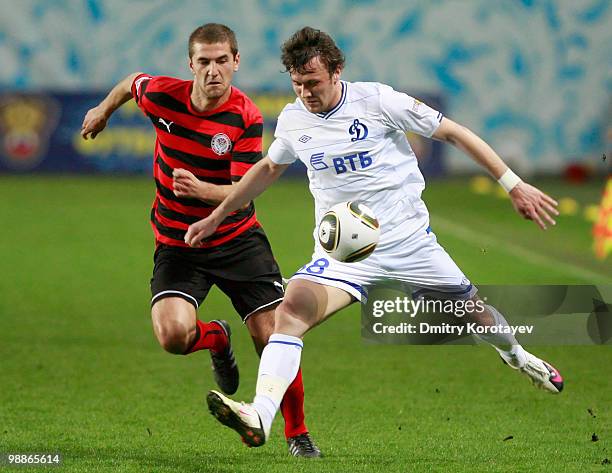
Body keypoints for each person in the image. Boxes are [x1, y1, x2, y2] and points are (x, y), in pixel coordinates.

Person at [183, 26, 564, 448]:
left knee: (477, 316)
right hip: (344, 252)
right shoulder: (293, 120)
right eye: (297, 84)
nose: (306, 93)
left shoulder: (378, 100)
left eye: (313, 82)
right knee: (291, 310)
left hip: (408, 243)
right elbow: (268, 169)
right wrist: (217, 216)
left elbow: (453, 133)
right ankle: (260, 415)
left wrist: (513, 184)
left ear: (337, 71)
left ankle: (518, 356)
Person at [79, 23, 320, 457]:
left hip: (236, 239)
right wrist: (102, 110)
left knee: (274, 337)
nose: (213, 71)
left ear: (236, 62)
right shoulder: (163, 95)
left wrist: (200, 191)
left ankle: (297, 434)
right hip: (178, 242)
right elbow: (132, 83)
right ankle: (218, 340)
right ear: (191, 64)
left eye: (222, 61)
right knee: (173, 336)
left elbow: (241, 194)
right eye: (204, 62)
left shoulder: (245, 116)